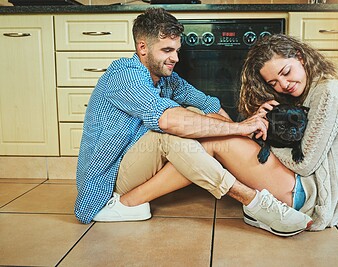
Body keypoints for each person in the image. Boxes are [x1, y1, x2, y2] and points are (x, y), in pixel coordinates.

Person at [74, 7, 312, 237]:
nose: (175, 58)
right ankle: (255, 202)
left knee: (193, 111)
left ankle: (255, 196)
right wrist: (240, 127)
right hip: (110, 176)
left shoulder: (167, 79)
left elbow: (208, 104)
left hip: (137, 160)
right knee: (171, 130)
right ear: (143, 47)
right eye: (167, 50)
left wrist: (242, 142)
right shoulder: (124, 76)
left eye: (177, 50)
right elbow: (167, 120)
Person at [234, 34, 338, 230]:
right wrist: (261, 122)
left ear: (300, 57)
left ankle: (252, 201)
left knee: (219, 140)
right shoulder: (305, 91)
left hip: (310, 199)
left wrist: (264, 139)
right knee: (216, 129)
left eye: (286, 71)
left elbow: (303, 164)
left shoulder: (327, 92)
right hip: (298, 185)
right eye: (273, 83)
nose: (283, 84)